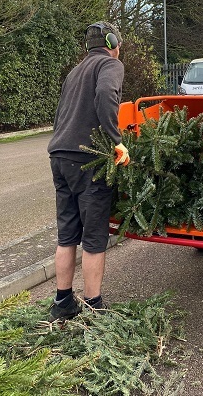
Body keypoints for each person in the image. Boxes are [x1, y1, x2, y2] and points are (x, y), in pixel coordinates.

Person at [46, 21, 130, 321]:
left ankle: (63, 302)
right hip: (89, 160)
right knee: (94, 237)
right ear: (113, 42)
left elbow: (61, 114)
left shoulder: (75, 70)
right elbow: (107, 95)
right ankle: (94, 305)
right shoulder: (109, 64)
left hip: (59, 156)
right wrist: (116, 141)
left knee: (67, 234)